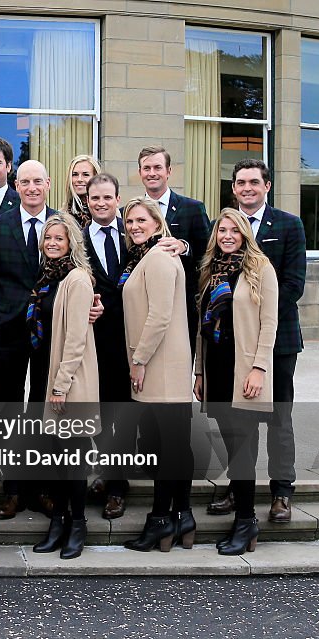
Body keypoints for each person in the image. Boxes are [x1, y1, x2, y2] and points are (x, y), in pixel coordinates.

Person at [207, 160, 306, 523]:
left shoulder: (288, 225)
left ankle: (282, 492)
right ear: (233, 188)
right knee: (235, 421)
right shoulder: (225, 227)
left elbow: (293, 285)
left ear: (267, 185)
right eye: (240, 183)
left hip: (277, 342)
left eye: (254, 182)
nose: (247, 188)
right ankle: (239, 486)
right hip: (231, 346)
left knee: (278, 417)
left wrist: (254, 320)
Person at [194, 208, 278, 556]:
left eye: (234, 230)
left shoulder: (260, 268)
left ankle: (246, 522)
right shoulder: (211, 271)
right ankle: (243, 518)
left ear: (245, 234)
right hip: (216, 368)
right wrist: (199, 371)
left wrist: (259, 368)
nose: (227, 236)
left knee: (243, 449)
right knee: (232, 447)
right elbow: (201, 325)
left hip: (243, 369)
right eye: (222, 230)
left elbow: (269, 323)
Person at [119, 197, 195, 553]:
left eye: (141, 220)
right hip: (158, 363)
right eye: (129, 221)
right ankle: (182, 516)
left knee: (167, 448)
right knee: (173, 446)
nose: (134, 226)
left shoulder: (160, 258)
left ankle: (160, 521)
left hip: (162, 365)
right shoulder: (146, 257)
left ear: (157, 222)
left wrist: (139, 359)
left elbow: (161, 316)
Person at [0, 159, 56, 516]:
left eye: (37, 181)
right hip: (8, 328)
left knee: (43, 406)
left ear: (48, 184)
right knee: (6, 405)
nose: (31, 188)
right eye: (24, 182)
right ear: (16, 185)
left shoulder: (63, 225)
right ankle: (11, 489)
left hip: (49, 329)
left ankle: (39, 485)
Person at [29, 214, 99, 560]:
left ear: (72, 242)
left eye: (60, 238)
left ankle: (77, 524)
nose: (53, 242)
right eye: (48, 237)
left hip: (71, 380)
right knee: (56, 457)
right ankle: (57, 520)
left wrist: (60, 386)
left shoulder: (77, 279)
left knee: (74, 459)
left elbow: (76, 339)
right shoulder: (47, 278)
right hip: (49, 375)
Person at [81, 174, 135, 520]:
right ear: (87, 202)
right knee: (98, 416)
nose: (101, 203)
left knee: (124, 414)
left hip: (130, 340)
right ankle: (107, 473)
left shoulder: (135, 234)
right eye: (94, 198)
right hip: (94, 340)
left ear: (118, 199)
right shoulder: (78, 240)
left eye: (106, 197)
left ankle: (118, 486)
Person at [136, 145, 211, 353]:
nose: (152, 173)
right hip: (143, 306)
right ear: (140, 172)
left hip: (183, 307)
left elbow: (208, 252)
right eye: (146, 168)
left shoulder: (193, 208)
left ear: (169, 171)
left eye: (158, 167)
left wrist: (184, 246)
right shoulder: (129, 212)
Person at [61, 155, 102, 227]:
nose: (79, 179)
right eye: (75, 174)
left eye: (85, 174)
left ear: (96, 177)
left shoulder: (109, 214)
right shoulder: (61, 217)